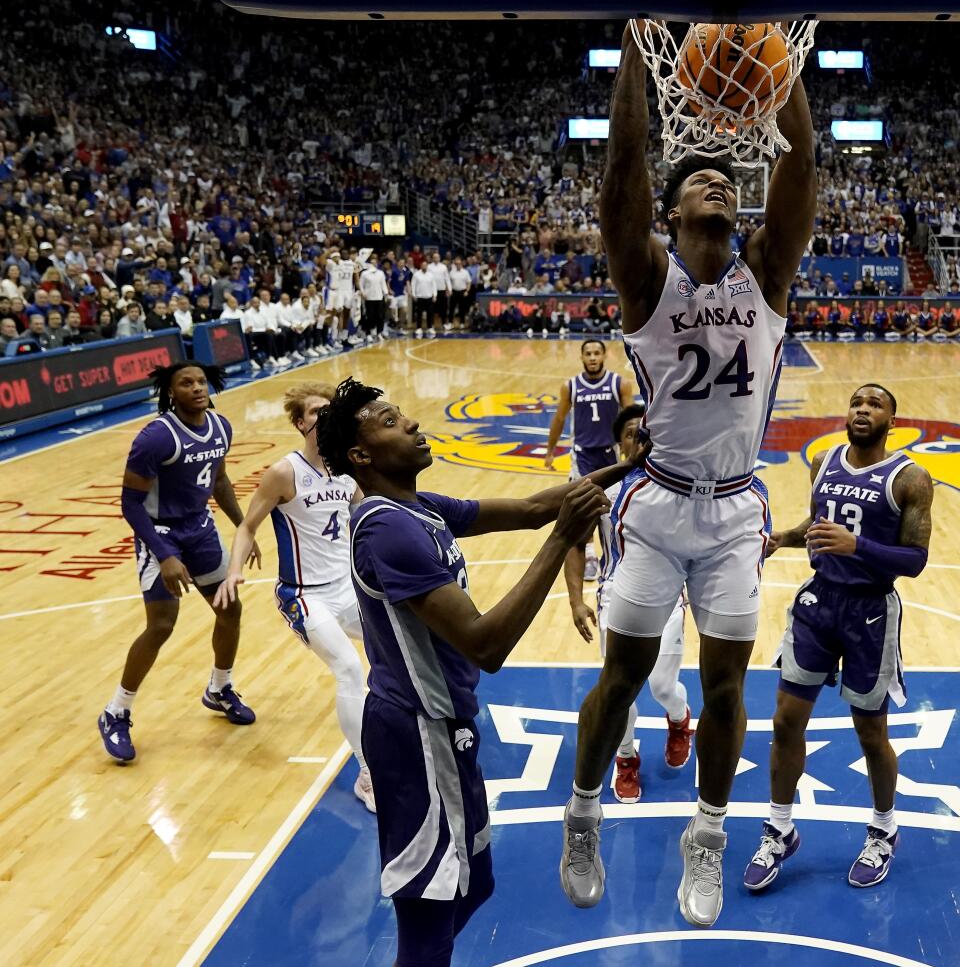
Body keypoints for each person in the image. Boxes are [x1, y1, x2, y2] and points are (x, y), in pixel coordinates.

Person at [560, 18, 816, 929]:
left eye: (725, 179)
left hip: (738, 512)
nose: (717, 178)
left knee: (724, 689)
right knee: (622, 677)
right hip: (658, 504)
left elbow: (802, 162)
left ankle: (705, 839)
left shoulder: (767, 279)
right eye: (696, 179)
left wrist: (772, 62)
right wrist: (637, 36)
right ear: (669, 215)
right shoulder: (647, 281)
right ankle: (582, 812)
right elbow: (626, 161)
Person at [314, 377, 625, 967]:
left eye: (401, 413)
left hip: (448, 729)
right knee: (427, 918)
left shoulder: (419, 507)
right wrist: (566, 537)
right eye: (388, 422)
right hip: (415, 732)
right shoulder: (386, 528)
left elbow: (535, 508)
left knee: (473, 885)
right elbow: (487, 644)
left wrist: (633, 464)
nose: (408, 423)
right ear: (361, 456)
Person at [745, 384, 933, 892]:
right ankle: (779, 829)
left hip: (870, 611)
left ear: (893, 419)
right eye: (857, 403)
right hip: (818, 602)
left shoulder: (910, 478)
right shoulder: (823, 461)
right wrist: (783, 538)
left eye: (875, 405)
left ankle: (883, 830)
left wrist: (859, 546)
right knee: (785, 720)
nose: (863, 410)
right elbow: (821, 521)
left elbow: (916, 559)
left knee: (871, 733)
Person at [212, 383, 375, 812]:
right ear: (301, 422)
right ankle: (367, 774)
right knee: (347, 669)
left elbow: (368, 513)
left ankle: (405, 732)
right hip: (304, 597)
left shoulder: (347, 470)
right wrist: (233, 573)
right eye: (317, 412)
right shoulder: (285, 472)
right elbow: (247, 526)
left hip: (348, 589)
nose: (325, 417)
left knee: (401, 644)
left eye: (331, 411)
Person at [97, 364, 260, 763]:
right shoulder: (156, 437)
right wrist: (164, 554)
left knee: (230, 608)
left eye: (201, 381)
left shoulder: (220, 426)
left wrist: (245, 528)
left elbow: (219, 482)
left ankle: (219, 688)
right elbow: (130, 504)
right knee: (162, 625)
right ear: (171, 392)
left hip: (200, 528)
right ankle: (116, 711)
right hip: (160, 534)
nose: (197, 388)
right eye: (186, 383)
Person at [562, 403, 693, 803]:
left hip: (669, 598)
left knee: (660, 685)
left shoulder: (677, 486)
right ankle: (626, 759)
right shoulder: (601, 488)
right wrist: (575, 600)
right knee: (621, 693)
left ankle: (679, 718)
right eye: (631, 432)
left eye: (645, 432)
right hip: (615, 596)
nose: (639, 438)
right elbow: (575, 542)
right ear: (619, 443)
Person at [545, 338, 638, 579]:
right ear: (582, 357)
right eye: (588, 353)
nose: (593, 357)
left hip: (610, 455)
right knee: (585, 509)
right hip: (582, 456)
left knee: (611, 509)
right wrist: (550, 450)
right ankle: (588, 554)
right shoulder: (571, 386)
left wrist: (633, 452)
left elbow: (631, 420)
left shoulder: (620, 383)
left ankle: (615, 553)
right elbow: (559, 418)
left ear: (604, 356)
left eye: (597, 353)